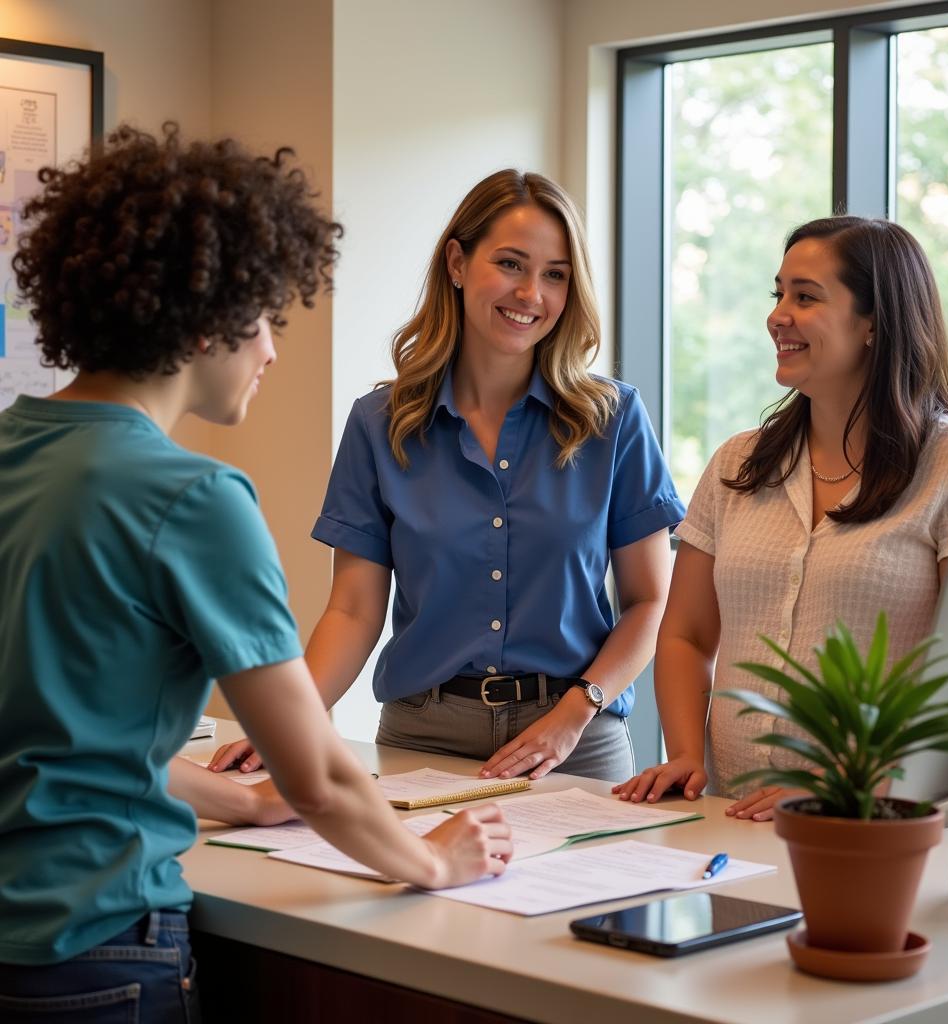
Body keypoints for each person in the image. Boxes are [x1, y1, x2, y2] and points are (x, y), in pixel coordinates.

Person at [0, 123, 510, 1022]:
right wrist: (434, 860)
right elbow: (316, 772)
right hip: (98, 946)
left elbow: (69, 738)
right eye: (265, 316)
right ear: (204, 318)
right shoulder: (190, 497)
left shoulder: (13, 453)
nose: (272, 350)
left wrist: (237, 800)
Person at [211, 169, 684, 783]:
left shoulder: (612, 419)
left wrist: (575, 714)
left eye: (555, 275)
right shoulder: (380, 423)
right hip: (420, 733)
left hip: (574, 740)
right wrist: (286, 721)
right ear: (457, 263)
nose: (531, 293)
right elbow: (354, 610)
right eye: (511, 264)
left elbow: (649, 602)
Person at [614, 215, 948, 819]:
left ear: (874, 323)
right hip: (733, 818)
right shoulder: (738, 462)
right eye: (778, 294)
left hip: (878, 823)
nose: (778, 314)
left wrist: (840, 784)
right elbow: (687, 635)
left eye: (806, 297)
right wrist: (684, 754)